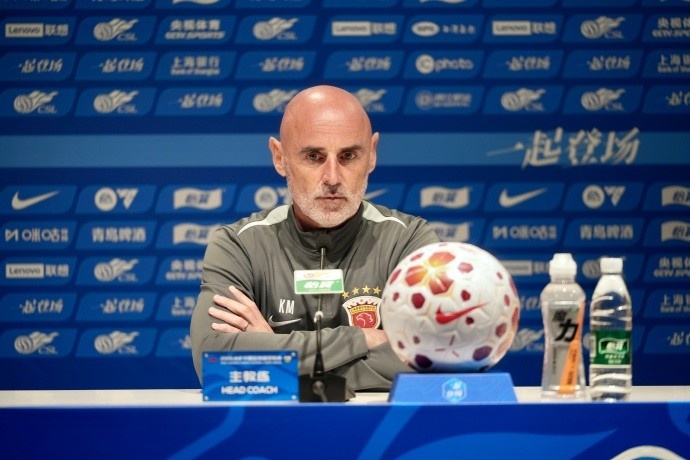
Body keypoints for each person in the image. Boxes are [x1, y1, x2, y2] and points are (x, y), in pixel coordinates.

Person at [190, 85, 439, 391]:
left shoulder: (409, 243)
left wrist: (275, 357)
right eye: (313, 156)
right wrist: (361, 338)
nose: (332, 177)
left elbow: (436, 355)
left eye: (348, 156)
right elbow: (215, 363)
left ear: (372, 154)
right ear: (280, 157)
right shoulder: (238, 246)